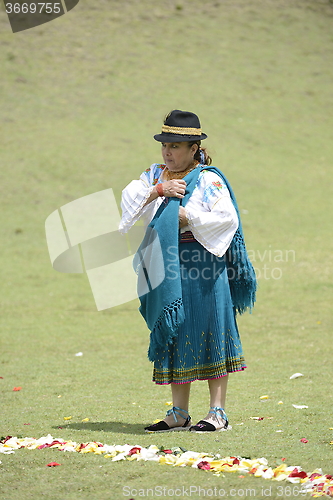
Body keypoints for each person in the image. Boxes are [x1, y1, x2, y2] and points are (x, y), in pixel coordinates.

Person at [119, 110, 256, 432]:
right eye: (165, 145)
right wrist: (158, 191)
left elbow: (227, 219)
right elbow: (130, 201)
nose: (168, 152)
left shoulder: (209, 178)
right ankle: (178, 412)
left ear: (194, 148)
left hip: (204, 264)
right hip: (165, 261)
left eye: (176, 146)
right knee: (175, 331)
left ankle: (217, 413)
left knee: (211, 329)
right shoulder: (154, 175)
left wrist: (189, 218)